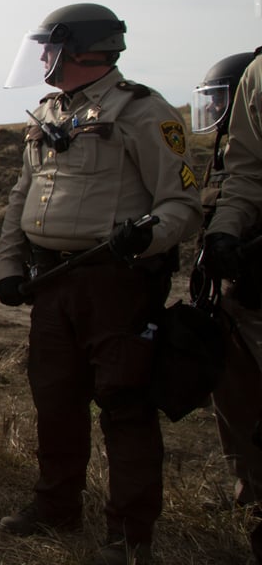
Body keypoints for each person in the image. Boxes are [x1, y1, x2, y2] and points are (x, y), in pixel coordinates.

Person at [0, 3, 202, 565]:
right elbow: (21, 197)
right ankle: (56, 505)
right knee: (54, 399)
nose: (42, 58)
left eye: (50, 46)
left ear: (83, 48)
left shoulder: (141, 111)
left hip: (117, 283)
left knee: (124, 404)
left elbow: (182, 203)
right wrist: (8, 267)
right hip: (52, 281)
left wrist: (148, 238)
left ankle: (130, 535)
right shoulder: (46, 112)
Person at [197, 50, 262, 558]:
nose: (218, 108)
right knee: (233, 394)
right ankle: (249, 491)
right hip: (236, 290)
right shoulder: (230, 152)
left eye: (223, 96)